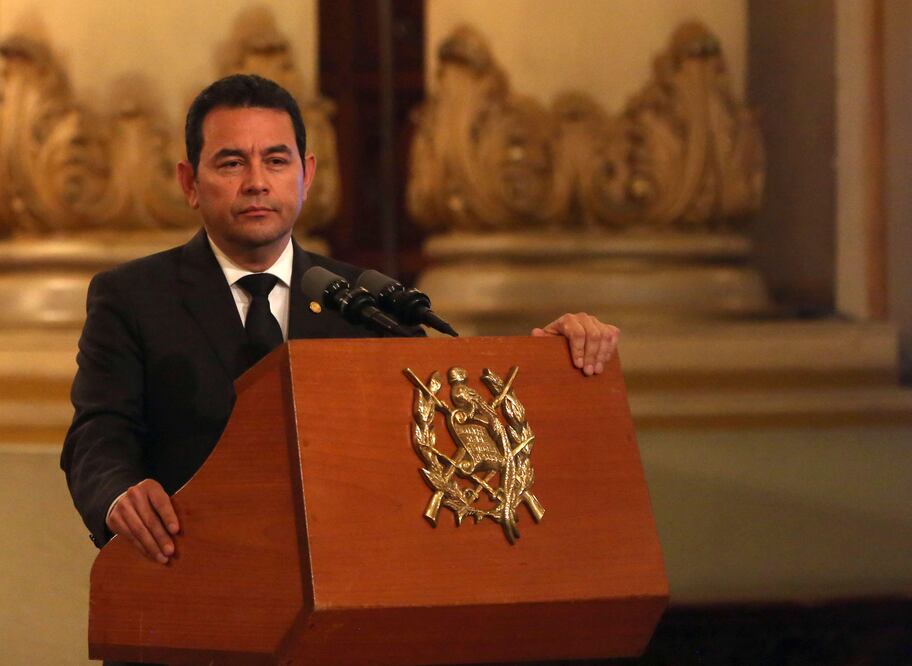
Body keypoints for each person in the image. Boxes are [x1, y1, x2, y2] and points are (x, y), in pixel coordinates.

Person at [61, 74, 620, 569]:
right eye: (231, 162)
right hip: (190, 575)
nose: (257, 181)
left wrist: (552, 364)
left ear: (305, 175)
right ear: (189, 182)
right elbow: (98, 433)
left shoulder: (362, 302)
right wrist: (118, 495)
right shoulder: (131, 297)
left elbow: (438, 410)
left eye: (276, 160)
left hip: (344, 582)